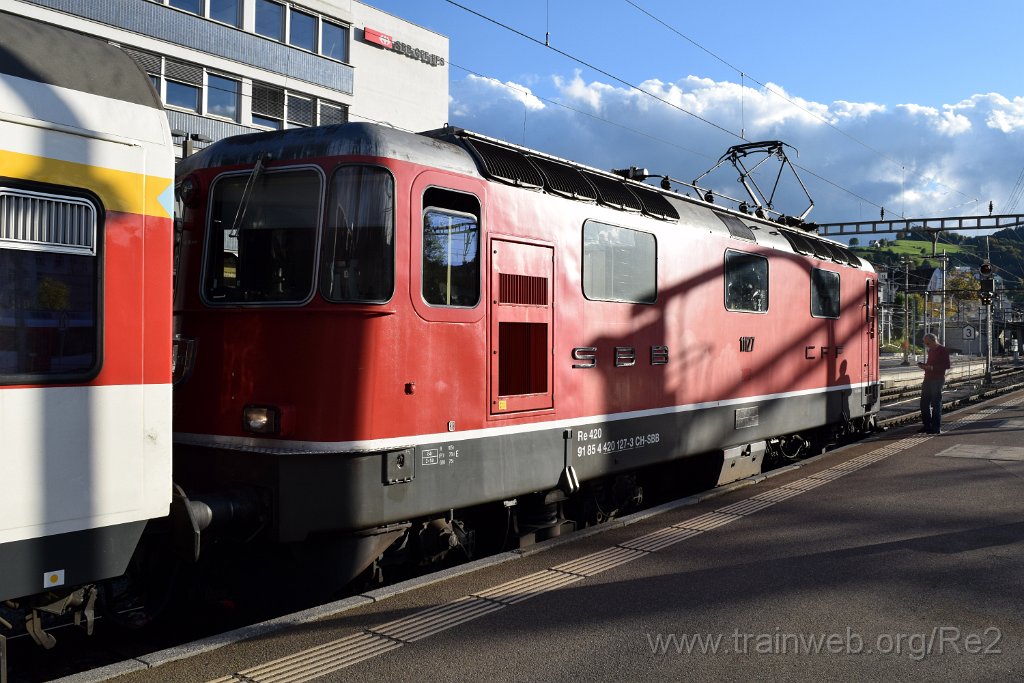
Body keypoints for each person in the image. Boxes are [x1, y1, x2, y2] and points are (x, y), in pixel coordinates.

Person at [917, 333, 951, 434]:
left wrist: (932, 368)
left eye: (927, 343)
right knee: (924, 403)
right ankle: (927, 425)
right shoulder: (931, 350)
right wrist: (924, 366)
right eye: (925, 343)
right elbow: (930, 363)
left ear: (933, 340)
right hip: (927, 378)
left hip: (937, 379)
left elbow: (947, 365)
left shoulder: (942, 350)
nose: (926, 345)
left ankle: (936, 428)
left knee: (936, 403)